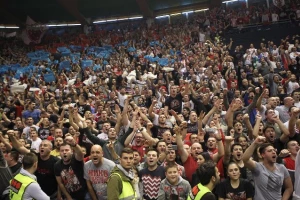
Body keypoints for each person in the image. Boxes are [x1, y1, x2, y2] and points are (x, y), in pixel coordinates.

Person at [54, 135, 88, 200]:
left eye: (67, 150)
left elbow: (80, 154)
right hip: (70, 195)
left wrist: (74, 144)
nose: (64, 152)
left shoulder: (76, 159)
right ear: (59, 153)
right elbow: (60, 183)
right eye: (62, 151)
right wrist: (68, 197)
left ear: (72, 151)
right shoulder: (57, 165)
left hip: (84, 193)